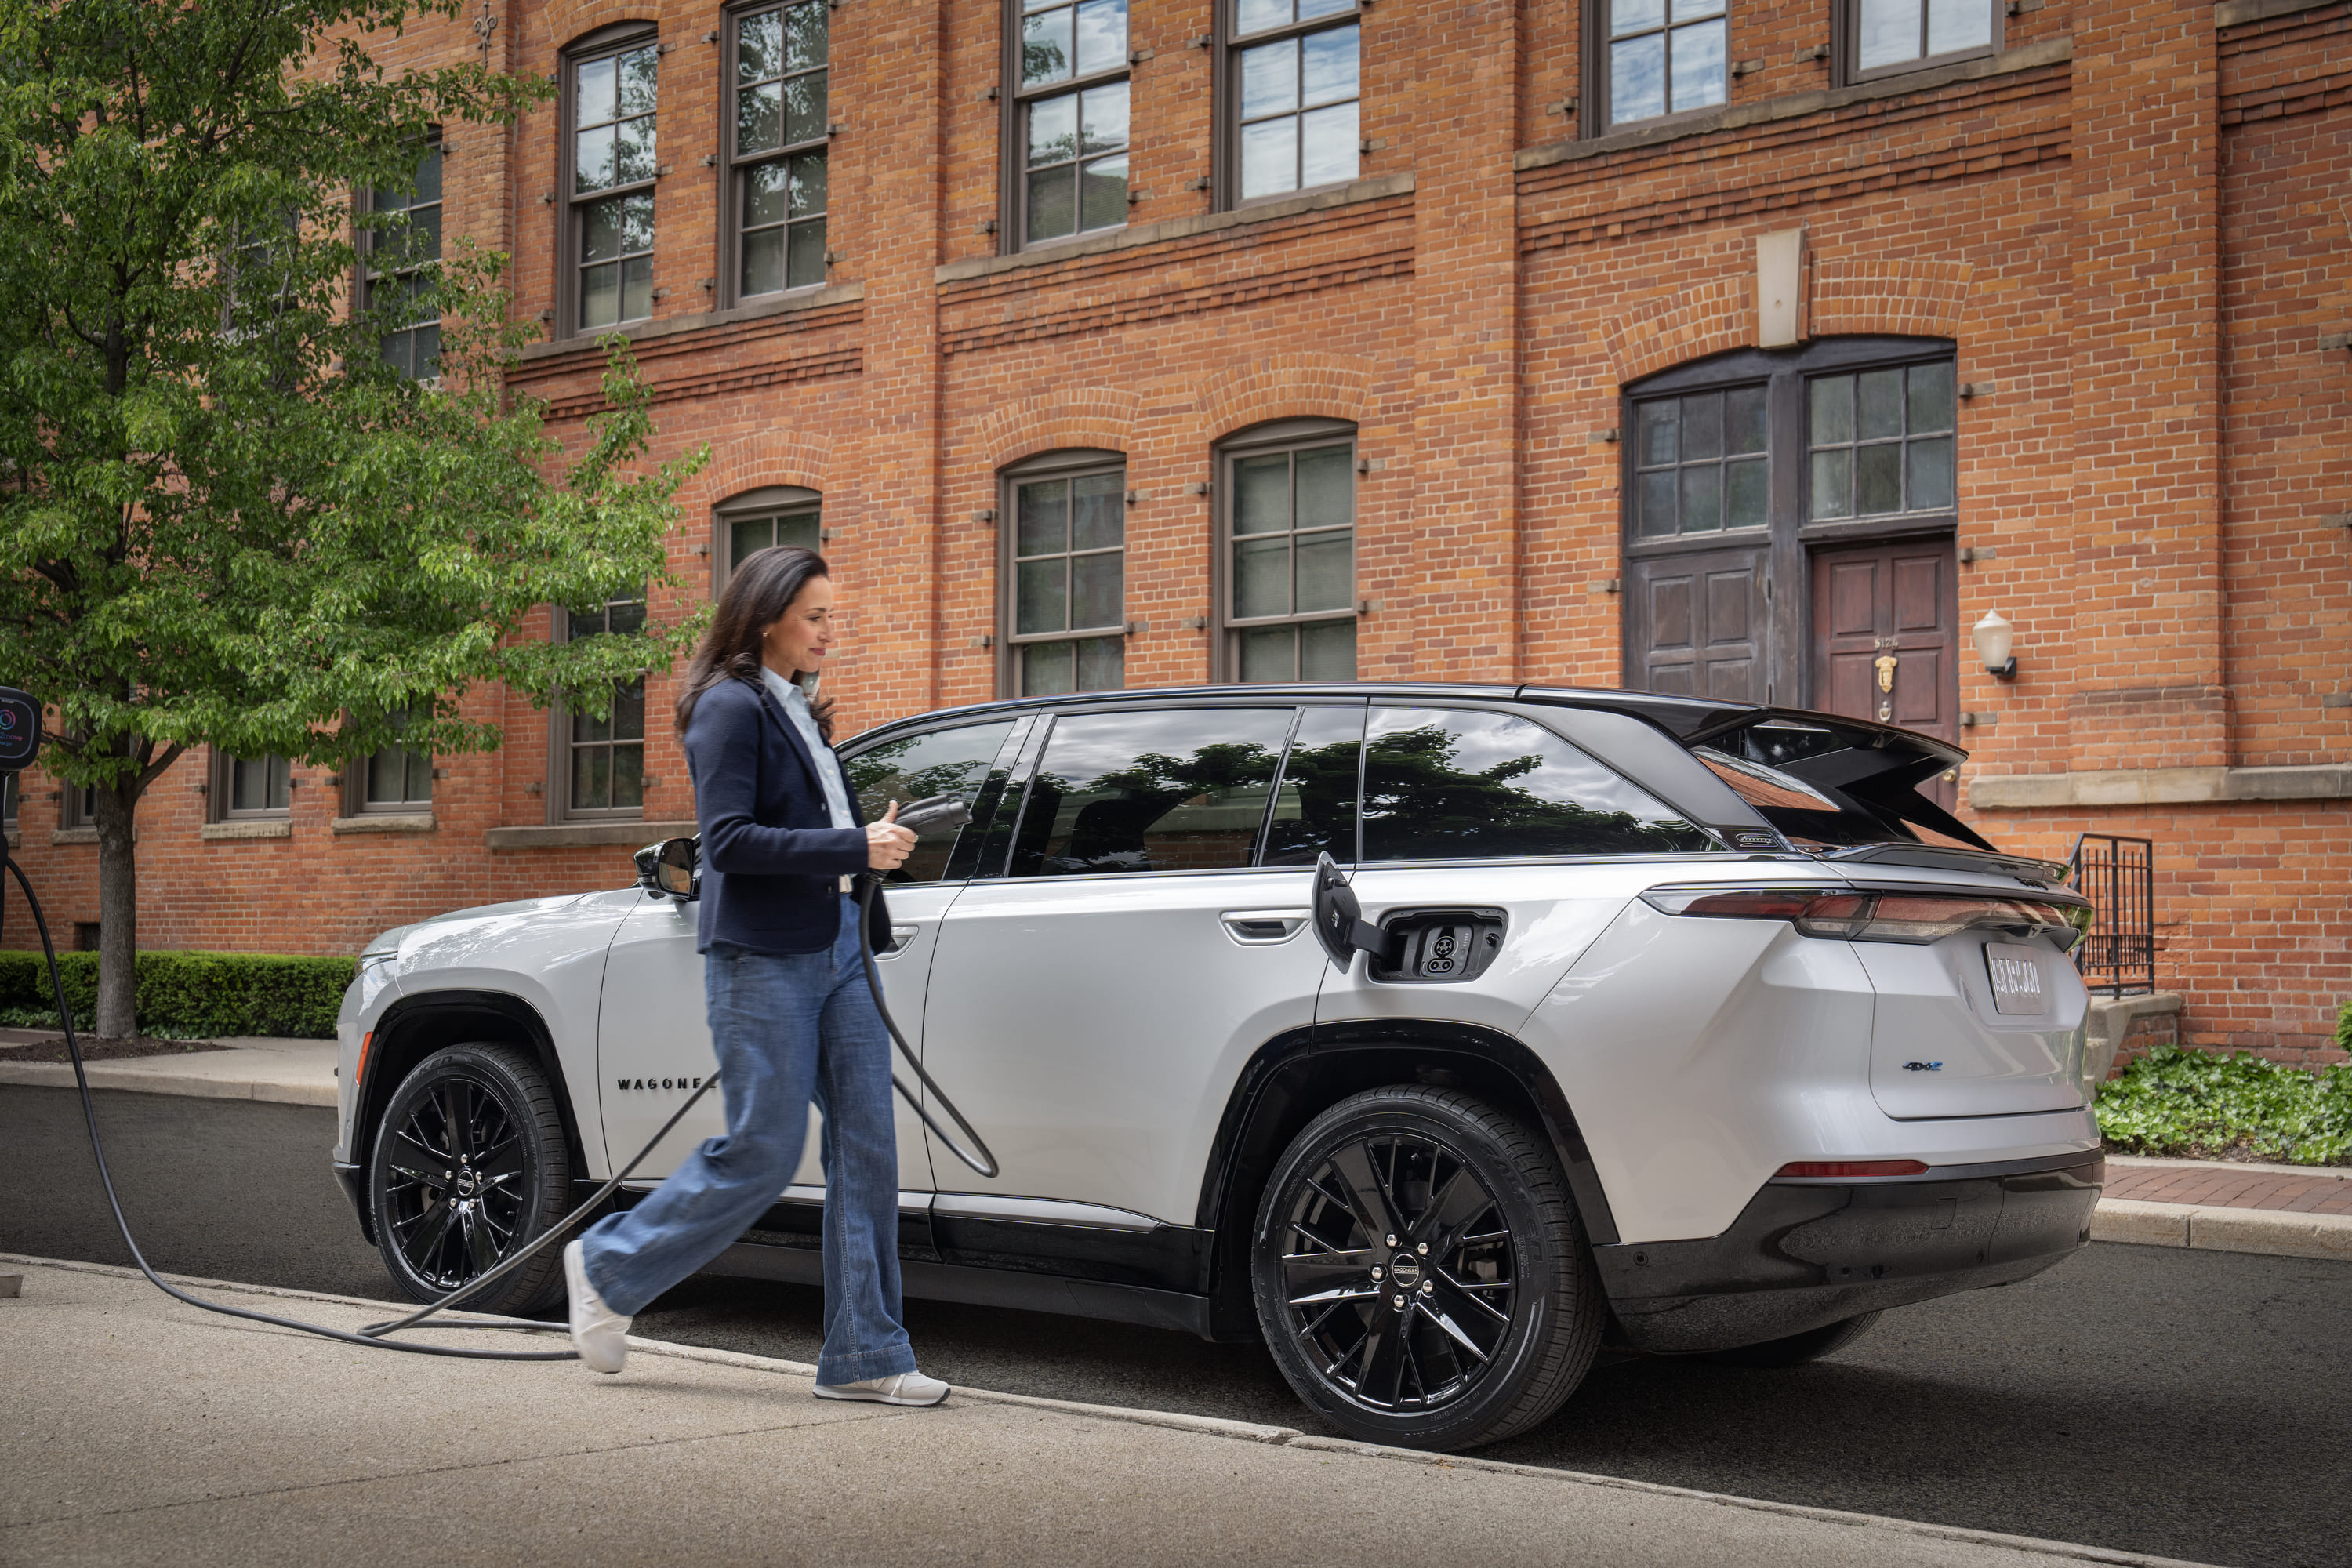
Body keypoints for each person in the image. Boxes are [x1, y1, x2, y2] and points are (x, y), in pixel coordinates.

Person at [562, 545, 947, 1406]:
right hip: (764, 958)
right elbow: (727, 843)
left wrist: (863, 841)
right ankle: (607, 1266)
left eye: (829, 615)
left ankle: (866, 1353)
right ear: (766, 615)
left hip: (838, 944)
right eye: (813, 615)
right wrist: (855, 844)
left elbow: (807, 828)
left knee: (868, 1145)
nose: (827, 630)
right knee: (762, 1151)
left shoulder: (800, 709)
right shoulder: (727, 708)